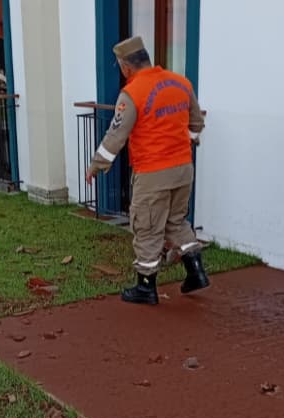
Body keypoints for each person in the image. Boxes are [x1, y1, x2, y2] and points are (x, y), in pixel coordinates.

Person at [86, 36, 209, 306]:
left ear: (125, 65)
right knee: (175, 222)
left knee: (147, 227)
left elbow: (116, 135)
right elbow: (197, 124)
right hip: (184, 169)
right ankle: (195, 271)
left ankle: (145, 287)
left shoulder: (132, 93)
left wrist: (96, 165)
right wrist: (185, 139)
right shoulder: (181, 82)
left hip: (153, 172)